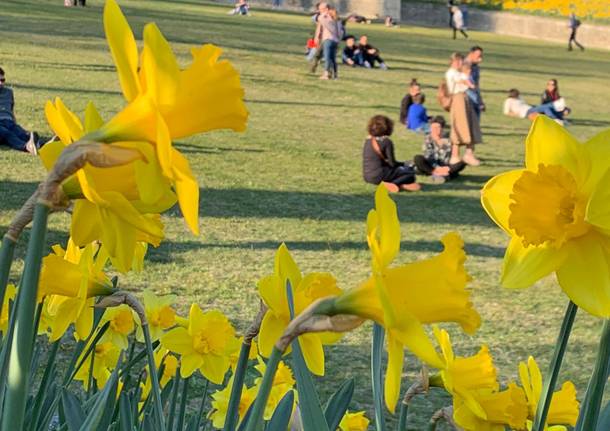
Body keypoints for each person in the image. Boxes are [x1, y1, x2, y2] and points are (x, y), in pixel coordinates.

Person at [362, 115, 420, 193]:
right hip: (380, 175)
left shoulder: (368, 140)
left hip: (368, 176)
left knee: (401, 171)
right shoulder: (386, 142)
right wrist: (405, 164)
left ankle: (397, 184)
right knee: (410, 175)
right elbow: (392, 163)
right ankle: (393, 184)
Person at [445, 52, 481, 166]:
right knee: (459, 125)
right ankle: (455, 155)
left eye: (461, 60)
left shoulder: (460, 72)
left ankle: (469, 153)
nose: (459, 63)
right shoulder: (451, 73)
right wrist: (468, 83)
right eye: (457, 61)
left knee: (470, 124)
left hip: (465, 98)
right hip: (458, 99)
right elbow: (460, 81)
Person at [413, 116, 466, 184]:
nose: (435, 130)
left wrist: (447, 167)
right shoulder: (428, 139)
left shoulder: (450, 139)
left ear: (442, 128)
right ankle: (436, 173)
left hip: (447, 166)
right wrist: (437, 168)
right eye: (433, 128)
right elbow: (428, 156)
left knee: (463, 162)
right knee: (418, 158)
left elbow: (454, 157)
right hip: (432, 165)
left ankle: (442, 175)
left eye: (437, 128)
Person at [0, 67, 38, 155]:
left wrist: (14, 123)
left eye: (3, 80)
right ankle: (26, 147)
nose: (1, 83)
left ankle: (44, 144)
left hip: (9, 121)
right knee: (8, 134)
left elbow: (11, 109)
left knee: (22, 133)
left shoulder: (8, 92)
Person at [314, 3, 342, 80]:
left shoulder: (327, 19)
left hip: (328, 40)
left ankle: (326, 74)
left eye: (321, 10)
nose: (320, 11)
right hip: (335, 41)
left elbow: (320, 18)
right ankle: (335, 75)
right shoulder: (337, 20)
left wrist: (325, 13)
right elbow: (340, 33)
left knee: (327, 58)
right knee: (333, 59)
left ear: (327, 9)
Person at [465, 46, 484, 115]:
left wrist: (480, 100)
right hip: (466, 95)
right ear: (471, 54)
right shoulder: (465, 65)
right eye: (478, 56)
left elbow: (476, 84)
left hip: (474, 94)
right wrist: (478, 101)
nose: (480, 59)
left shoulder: (476, 67)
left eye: (481, 56)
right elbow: (469, 83)